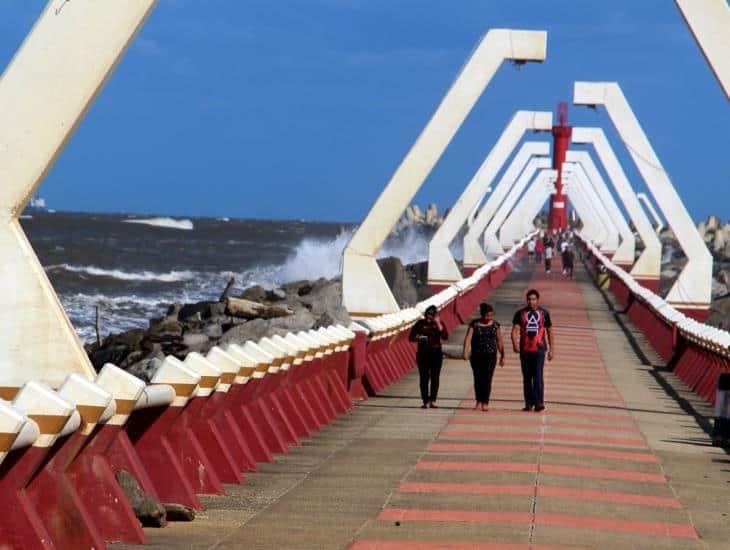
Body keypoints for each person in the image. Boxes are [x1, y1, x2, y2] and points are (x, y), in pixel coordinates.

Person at [511, 289, 554, 412]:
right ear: (526, 300)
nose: (531, 302)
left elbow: (550, 331)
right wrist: (514, 344)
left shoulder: (544, 313)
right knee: (527, 377)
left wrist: (552, 349)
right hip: (525, 350)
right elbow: (515, 329)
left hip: (539, 349)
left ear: (538, 300)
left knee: (538, 376)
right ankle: (529, 403)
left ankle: (539, 402)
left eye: (534, 299)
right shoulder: (520, 314)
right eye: (529, 299)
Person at [463, 303, 505, 411]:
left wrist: (503, 355)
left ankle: (485, 401)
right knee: (478, 379)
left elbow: (499, 341)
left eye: (491, 315)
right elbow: (468, 338)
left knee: (487, 379)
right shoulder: (474, 324)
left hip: (490, 356)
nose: (489, 318)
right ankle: (478, 401)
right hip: (476, 356)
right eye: (487, 315)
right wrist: (465, 352)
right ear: (482, 315)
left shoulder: (495, 325)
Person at [409, 305, 448, 409]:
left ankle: (433, 400)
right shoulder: (420, 323)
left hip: (436, 353)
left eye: (430, 315)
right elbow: (411, 337)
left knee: (435, 377)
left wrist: (438, 323)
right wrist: (422, 337)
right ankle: (425, 400)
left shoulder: (439, 324)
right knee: (424, 377)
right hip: (423, 353)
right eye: (427, 314)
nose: (428, 317)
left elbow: (445, 336)